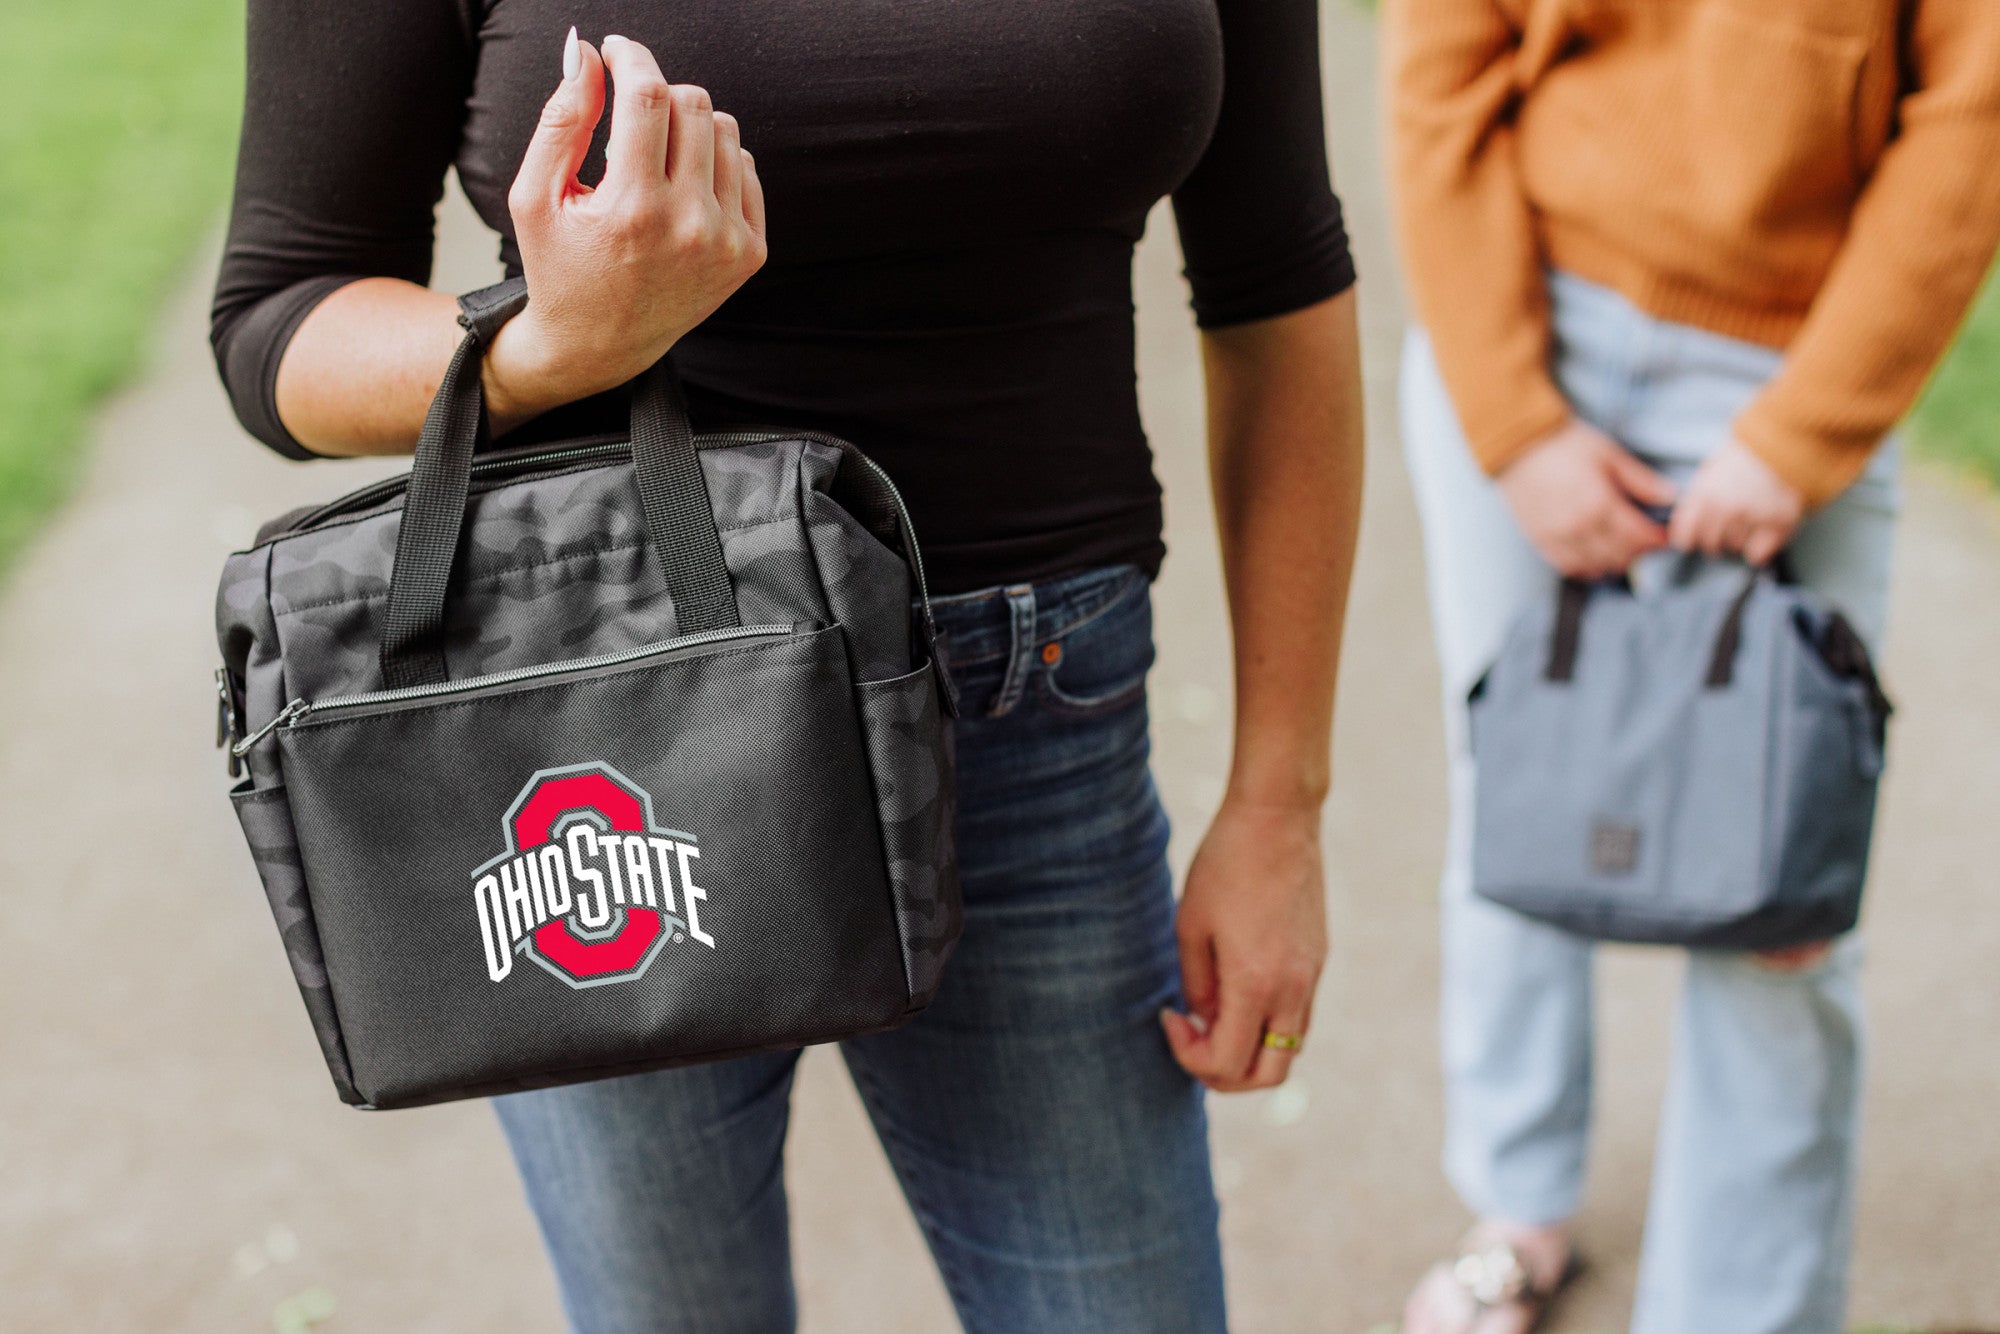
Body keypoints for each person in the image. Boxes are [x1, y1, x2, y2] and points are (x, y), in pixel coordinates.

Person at [211, 5, 1365, 1331]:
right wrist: (536, 349)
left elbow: (1280, 281)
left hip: (1033, 724)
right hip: (603, 749)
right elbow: (279, 318)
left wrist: (1282, 799)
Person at [1384, 1, 2000, 1330]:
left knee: (1783, 887)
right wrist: (1513, 420)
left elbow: (1975, 108)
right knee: (1515, 796)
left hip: (1797, 352)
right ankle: (1518, 1204)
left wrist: (1802, 433)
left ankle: (1744, 1309)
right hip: (1526, 316)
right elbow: (1438, 68)